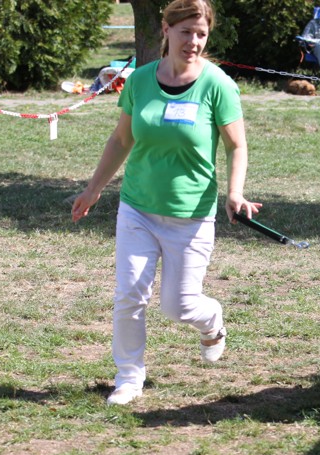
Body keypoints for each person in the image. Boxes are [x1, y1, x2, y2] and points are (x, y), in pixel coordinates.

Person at [71, 0, 261, 406]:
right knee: (129, 295)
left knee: (179, 306)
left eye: (201, 34)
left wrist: (235, 192)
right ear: (166, 30)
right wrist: (93, 188)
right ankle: (128, 378)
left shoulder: (218, 85)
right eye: (185, 32)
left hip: (191, 216)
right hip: (137, 208)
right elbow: (122, 139)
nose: (193, 41)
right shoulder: (140, 81)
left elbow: (237, 145)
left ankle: (212, 321)